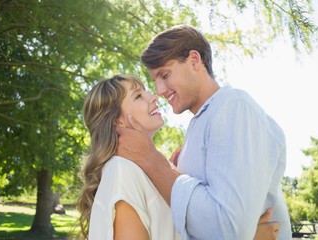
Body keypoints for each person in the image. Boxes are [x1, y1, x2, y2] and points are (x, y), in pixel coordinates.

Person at [116, 25, 292, 239]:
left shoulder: (234, 106)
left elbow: (228, 228)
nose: (160, 91)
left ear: (194, 60)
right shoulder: (201, 125)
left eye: (165, 75)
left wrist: (153, 161)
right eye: (155, 81)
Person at [77, 75, 281, 240]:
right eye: (138, 96)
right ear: (117, 122)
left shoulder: (148, 172)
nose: (153, 96)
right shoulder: (121, 171)